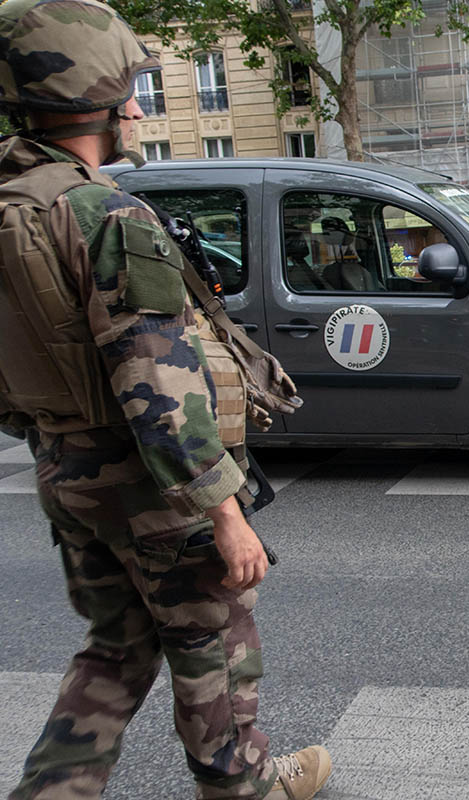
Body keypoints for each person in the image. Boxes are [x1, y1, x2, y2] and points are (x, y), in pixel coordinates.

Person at [0, 2, 330, 798]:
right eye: (130, 92)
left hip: (65, 470)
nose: (140, 108)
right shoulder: (104, 214)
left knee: (117, 643)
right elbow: (158, 384)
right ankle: (245, 785)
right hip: (152, 487)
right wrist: (224, 512)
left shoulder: (13, 206)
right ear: (93, 97)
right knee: (214, 642)